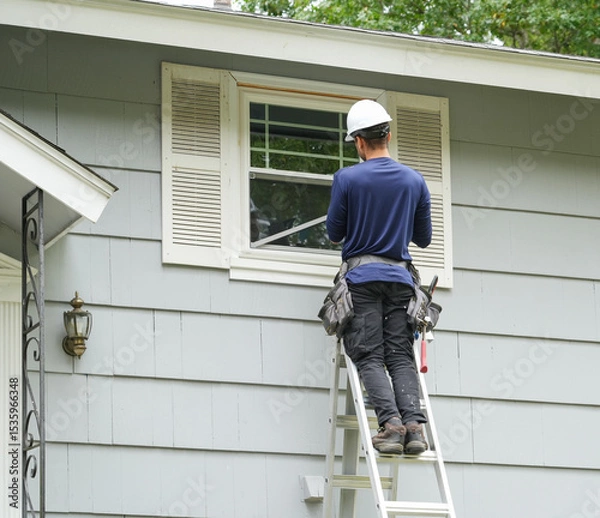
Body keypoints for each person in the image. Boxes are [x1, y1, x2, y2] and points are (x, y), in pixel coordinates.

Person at [326, 99, 432, 455]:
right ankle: (415, 429)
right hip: (401, 281)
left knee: (369, 354)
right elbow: (424, 238)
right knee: (400, 354)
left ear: (358, 141)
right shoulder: (415, 181)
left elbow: (334, 233)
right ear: (388, 134)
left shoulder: (347, 178)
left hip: (362, 279)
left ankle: (390, 426)